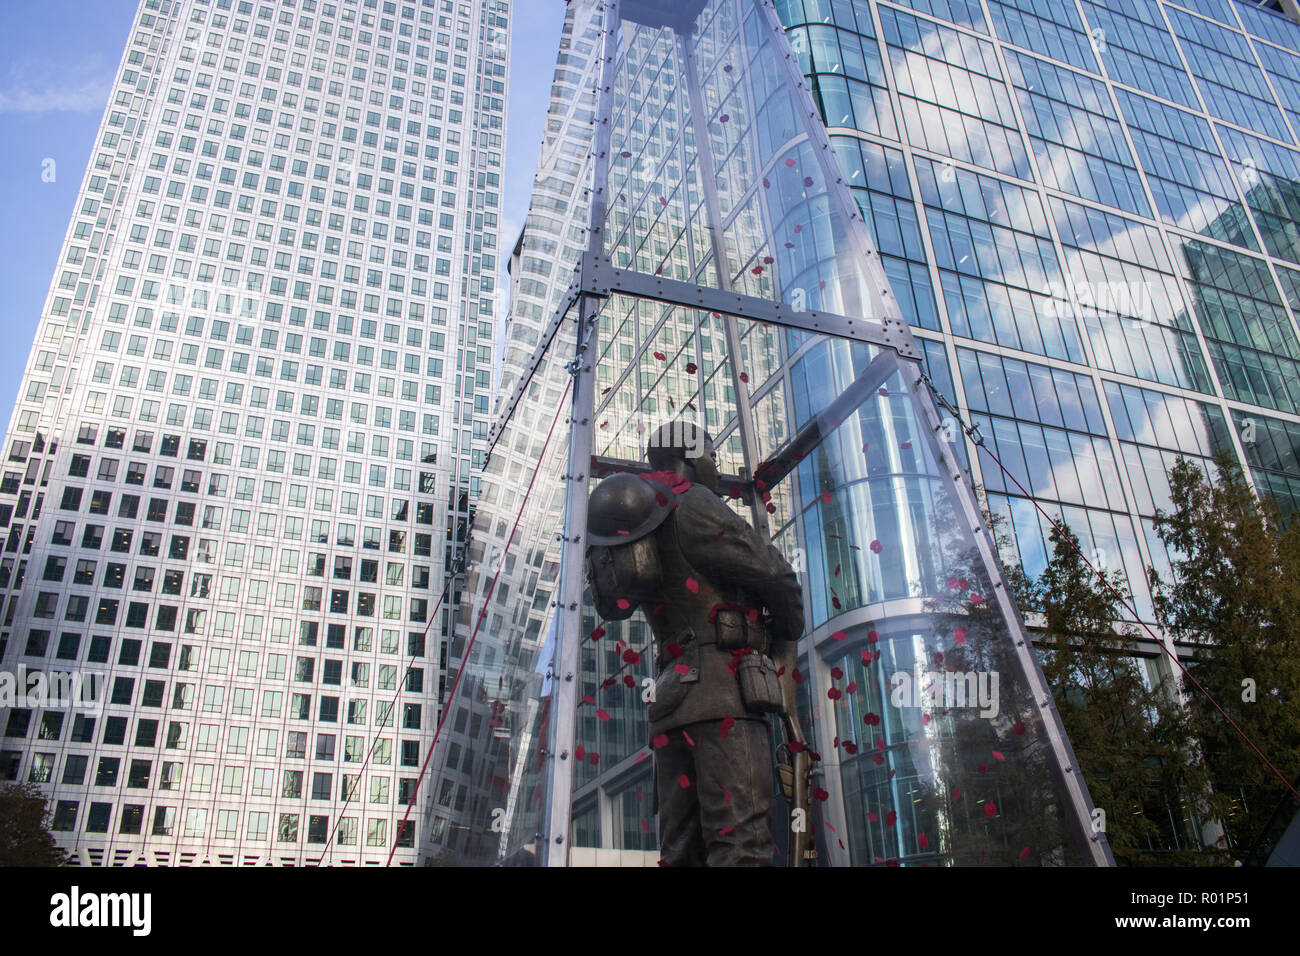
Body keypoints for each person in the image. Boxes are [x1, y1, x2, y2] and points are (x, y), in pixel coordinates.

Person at [586, 422, 804, 866]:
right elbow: (776, 575)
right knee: (741, 841)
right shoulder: (691, 501)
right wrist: (787, 631)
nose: (717, 467)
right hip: (725, 690)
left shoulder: (642, 516)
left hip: (671, 698)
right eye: (711, 454)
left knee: (681, 849)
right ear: (689, 454)